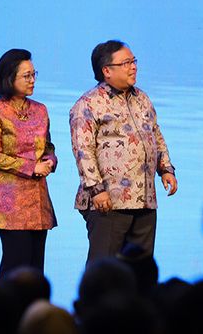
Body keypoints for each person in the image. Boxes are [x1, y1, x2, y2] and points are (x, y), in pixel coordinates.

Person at [69, 40, 177, 266]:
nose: (133, 67)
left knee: (141, 268)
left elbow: (156, 135)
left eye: (134, 61)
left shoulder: (142, 98)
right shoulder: (88, 104)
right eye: (126, 63)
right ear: (106, 71)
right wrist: (97, 190)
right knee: (105, 269)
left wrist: (165, 169)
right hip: (109, 202)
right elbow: (83, 149)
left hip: (144, 198)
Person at [0, 49, 57, 284]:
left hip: (37, 200)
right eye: (27, 76)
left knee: (35, 266)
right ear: (9, 77)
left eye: (34, 75)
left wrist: (50, 162)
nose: (33, 80)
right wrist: (31, 167)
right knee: (16, 262)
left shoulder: (40, 110)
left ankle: (33, 317)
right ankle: (2, 316)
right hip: (9, 202)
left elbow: (49, 148)